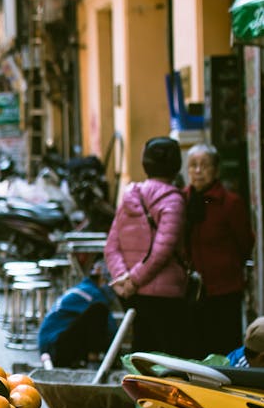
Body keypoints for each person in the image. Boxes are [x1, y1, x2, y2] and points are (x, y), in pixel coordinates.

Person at [104, 136, 187, 355]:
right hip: (165, 295)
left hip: (133, 294)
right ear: (176, 165)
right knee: (167, 359)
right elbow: (162, 251)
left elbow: (111, 246)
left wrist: (125, 280)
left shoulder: (131, 195)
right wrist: (133, 280)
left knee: (141, 355)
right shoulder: (174, 200)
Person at [183, 143, 254, 358]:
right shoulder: (181, 200)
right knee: (195, 348)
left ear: (215, 170)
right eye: (193, 165)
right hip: (192, 290)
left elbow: (245, 243)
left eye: (204, 166)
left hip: (224, 288)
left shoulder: (231, 203)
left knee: (223, 348)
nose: (197, 171)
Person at [38, 262, 118, 367]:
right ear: (103, 280)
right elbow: (112, 330)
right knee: (99, 309)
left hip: (48, 348)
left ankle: (87, 359)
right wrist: (116, 357)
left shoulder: (82, 288)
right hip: (54, 348)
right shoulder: (93, 294)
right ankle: (93, 361)